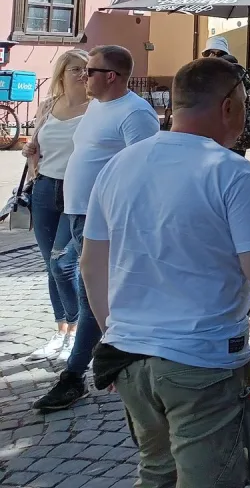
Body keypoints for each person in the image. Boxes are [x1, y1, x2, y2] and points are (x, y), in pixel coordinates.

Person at [79, 58, 250, 483]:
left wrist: (115, 334)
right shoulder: (232, 172)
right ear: (228, 106)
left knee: (156, 473)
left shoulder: (119, 165)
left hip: (131, 355)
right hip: (201, 358)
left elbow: (90, 263)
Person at [33, 45, 160, 413]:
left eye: (90, 71)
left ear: (111, 76)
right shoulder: (99, 107)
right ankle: (113, 358)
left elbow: (146, 170)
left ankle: (76, 374)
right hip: (79, 212)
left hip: (102, 217)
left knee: (92, 291)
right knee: (74, 276)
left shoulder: (136, 113)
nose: (83, 76)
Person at [23, 49, 89, 361]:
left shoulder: (96, 109)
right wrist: (31, 150)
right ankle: (60, 330)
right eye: (75, 69)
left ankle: (77, 331)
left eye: (86, 69)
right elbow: (37, 145)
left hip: (78, 193)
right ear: (62, 73)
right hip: (45, 188)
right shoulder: (48, 107)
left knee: (64, 264)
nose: (82, 74)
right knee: (51, 265)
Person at [202, 35, 250, 156]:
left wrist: (238, 106)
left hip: (224, 130)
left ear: (215, 52)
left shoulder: (225, 71)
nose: (208, 57)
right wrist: (241, 106)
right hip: (233, 131)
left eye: (209, 53)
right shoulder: (236, 70)